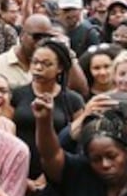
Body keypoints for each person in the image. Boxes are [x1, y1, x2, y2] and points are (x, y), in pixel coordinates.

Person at [11, 40, 83, 183]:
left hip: (56, 174)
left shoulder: (72, 100)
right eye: (35, 62)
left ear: (60, 68)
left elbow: (77, 142)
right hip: (18, 171)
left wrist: (45, 178)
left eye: (46, 64)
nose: (38, 68)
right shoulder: (16, 94)